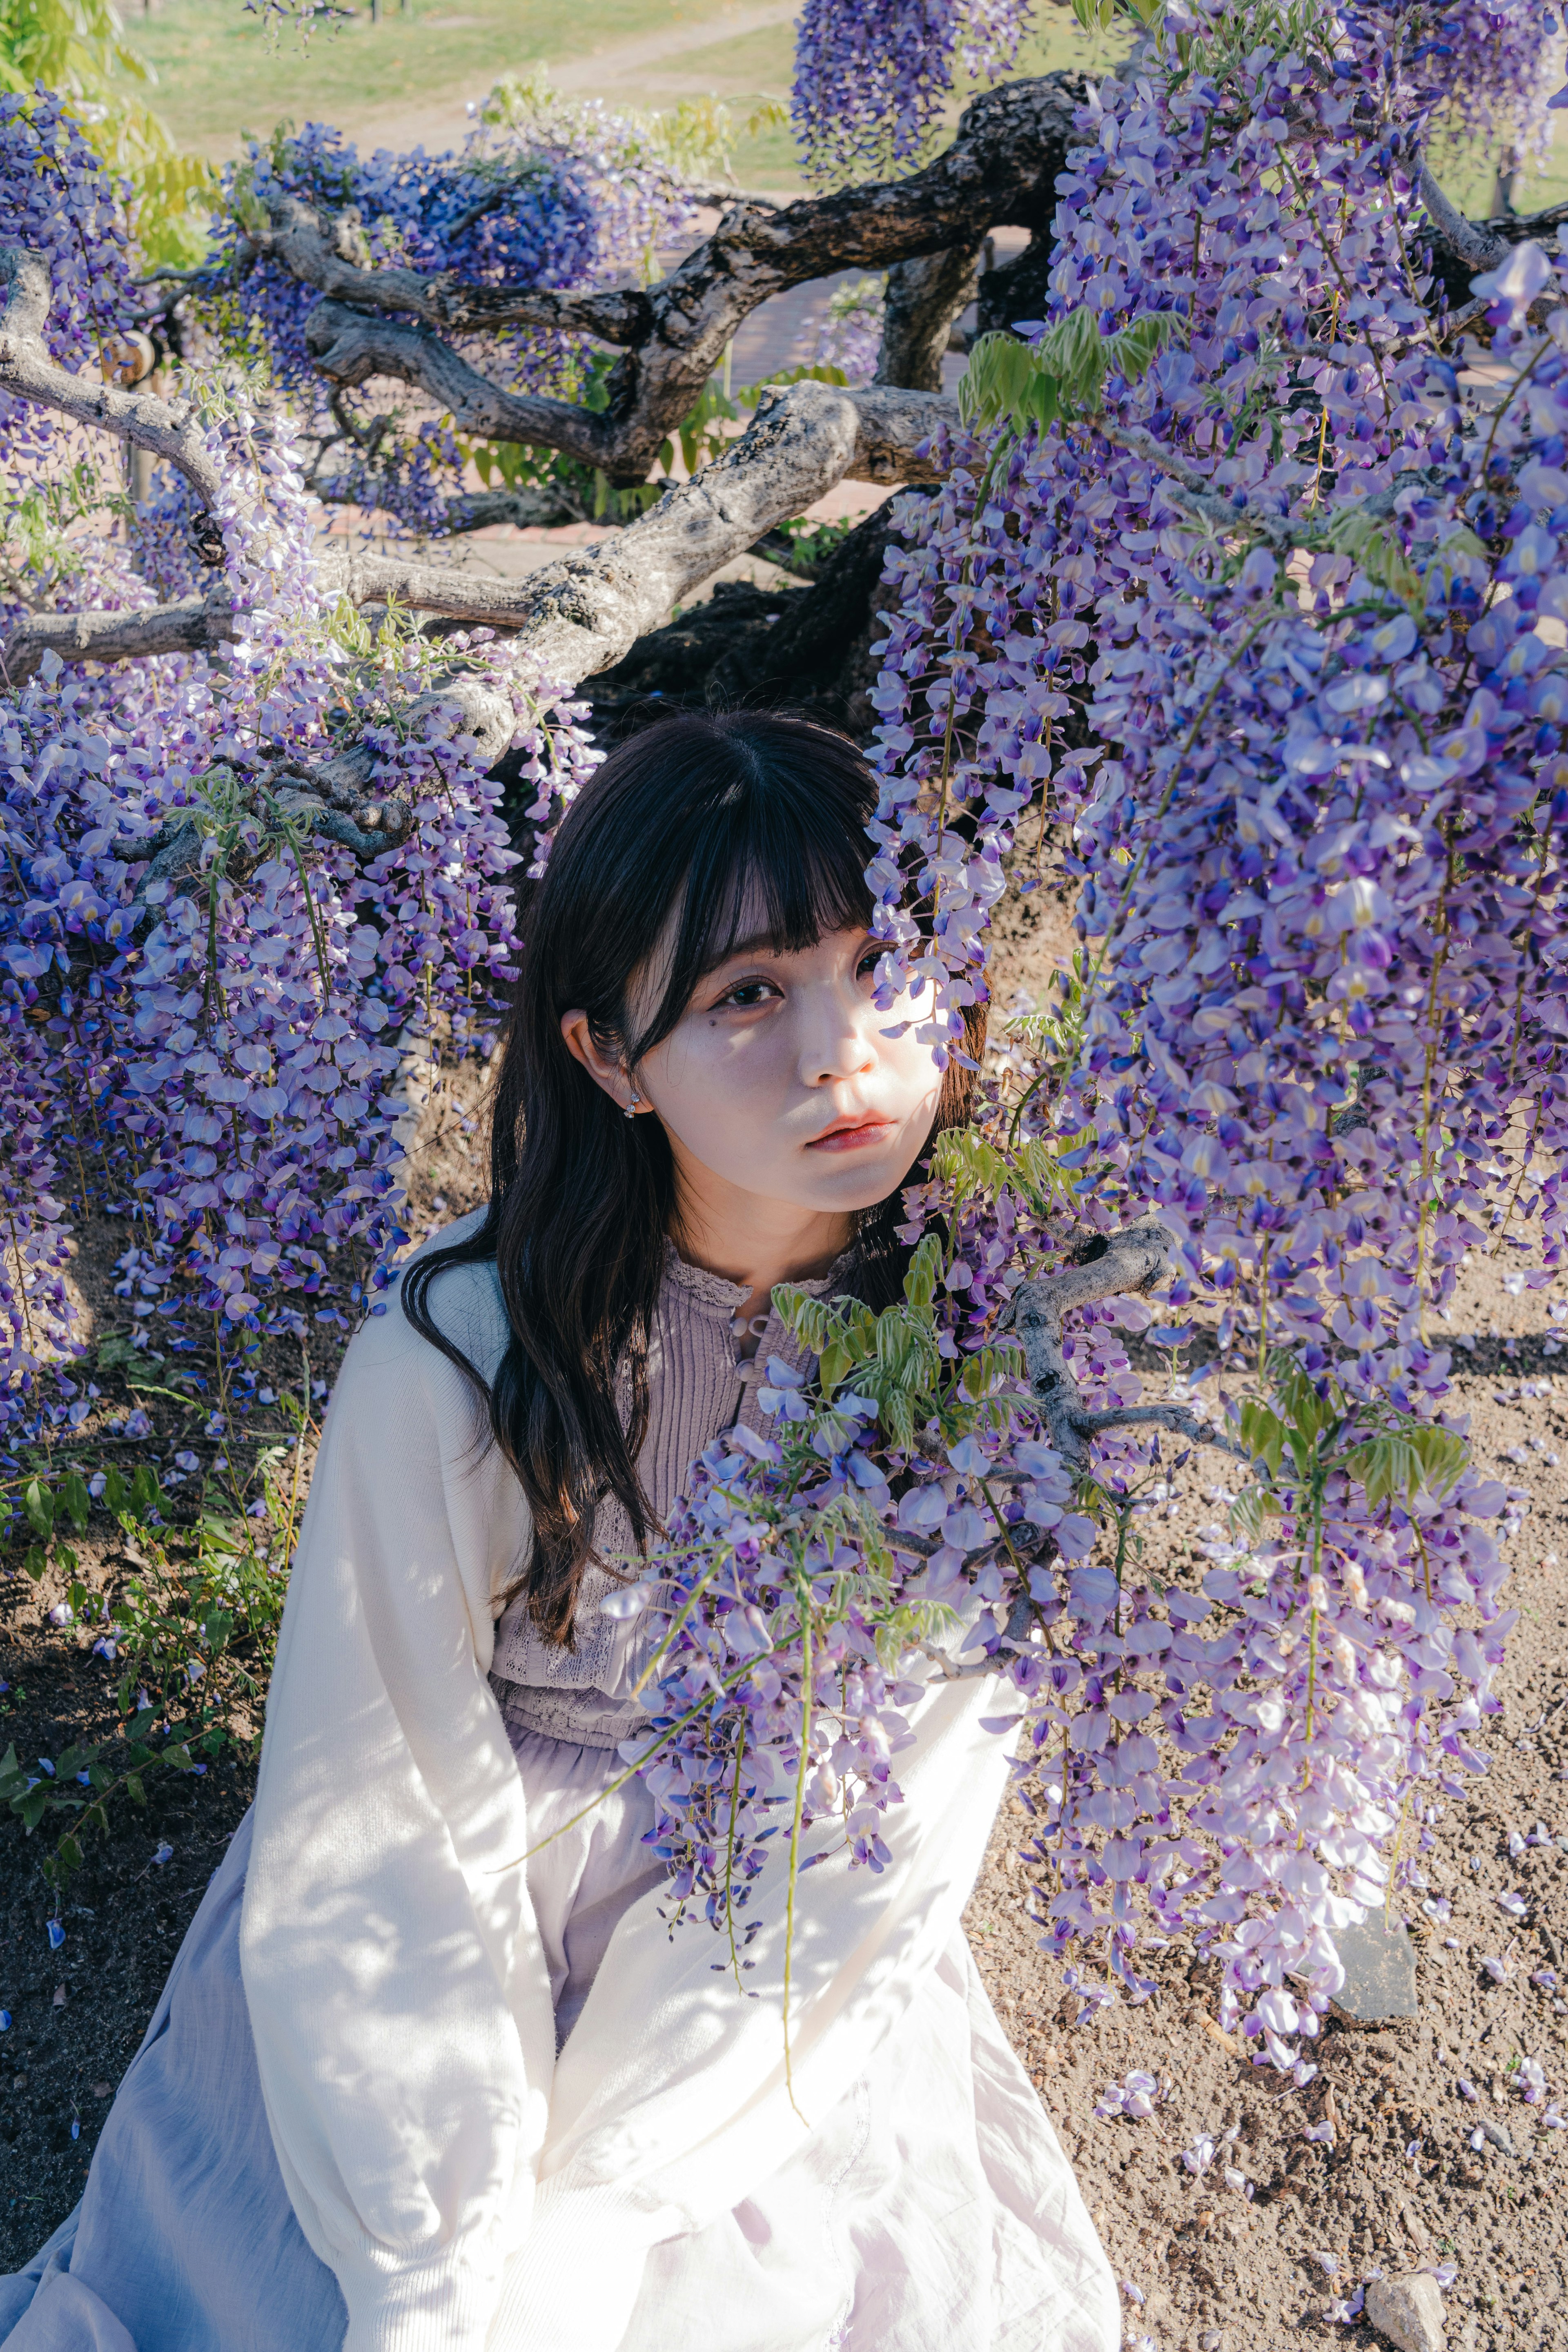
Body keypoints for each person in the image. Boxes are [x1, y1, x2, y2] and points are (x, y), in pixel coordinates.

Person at [0, 712, 1118, 2352]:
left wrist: (598, 2208)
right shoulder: (457, 1357)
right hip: (424, 1935)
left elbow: (890, 1826)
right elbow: (380, 1803)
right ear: (607, 1055)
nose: (843, 1052)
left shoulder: (987, 1361)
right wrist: (440, 2260)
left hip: (760, 1953)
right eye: (748, 995)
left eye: (886, 963)